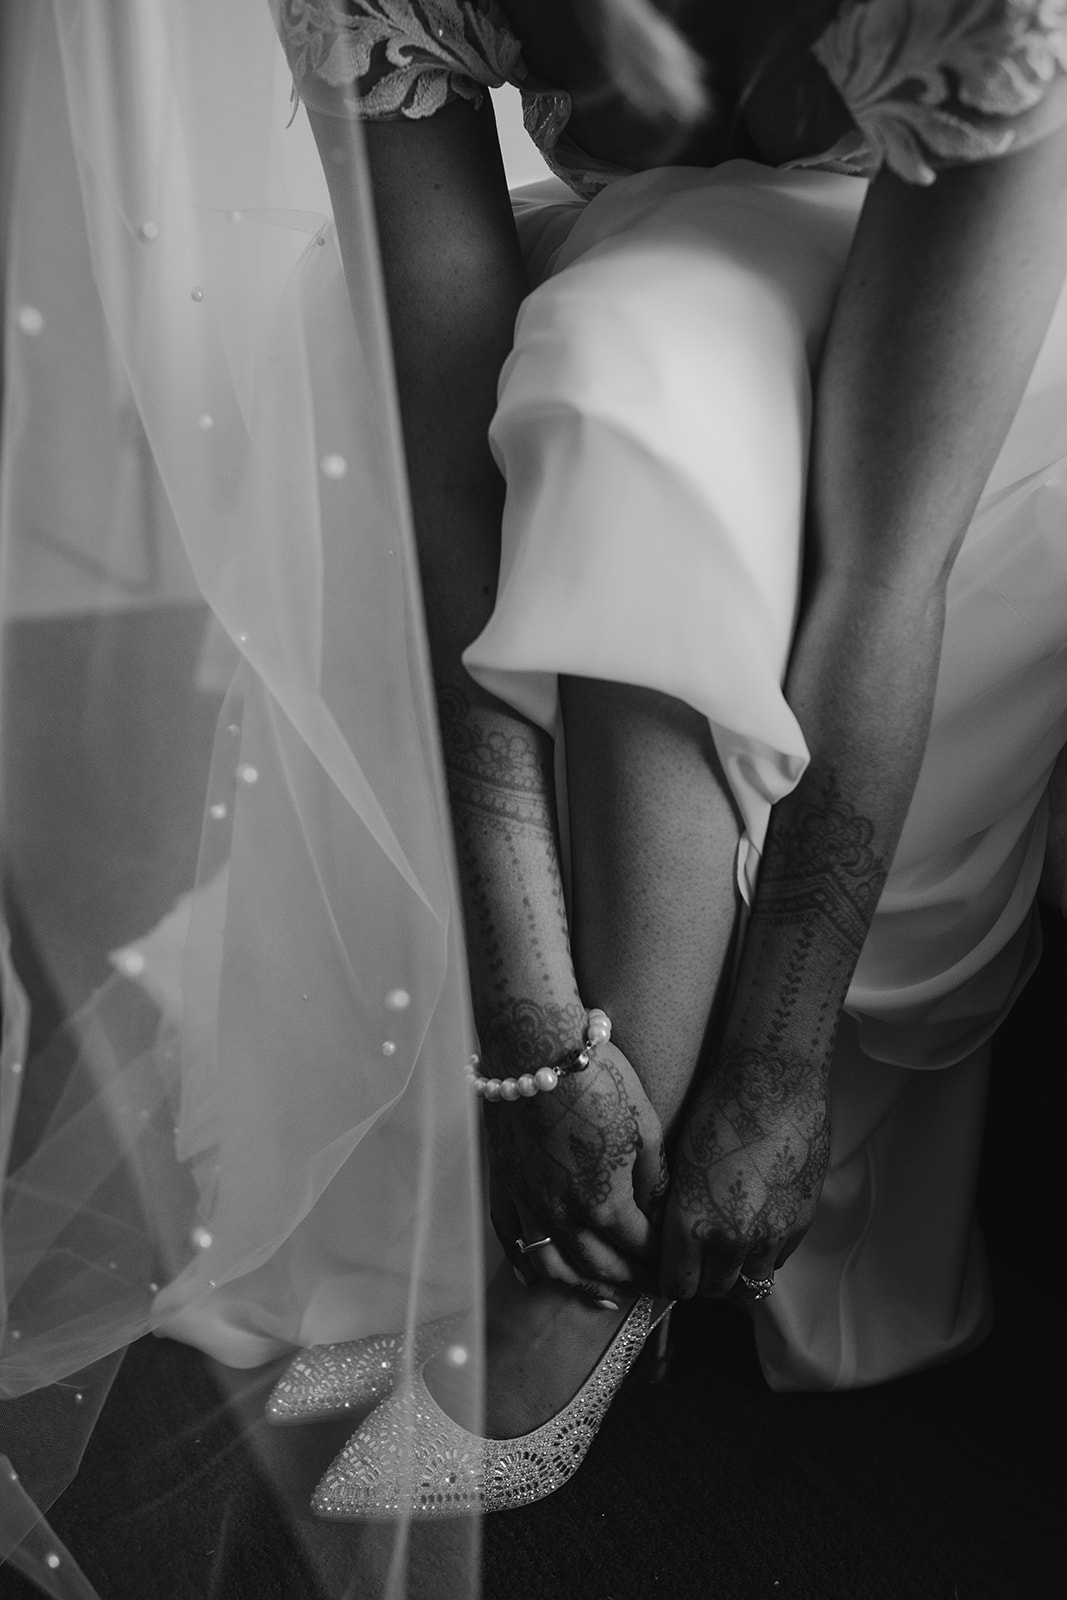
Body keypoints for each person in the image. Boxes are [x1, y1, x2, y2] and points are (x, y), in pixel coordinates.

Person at [1, 0, 1065, 1588]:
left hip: (981, 343)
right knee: (594, 376)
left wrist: (776, 1067)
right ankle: (594, 1170)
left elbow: (883, 578)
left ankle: (587, 1285)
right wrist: (529, 1037)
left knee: (635, 391)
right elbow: (446, 504)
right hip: (649, 279)